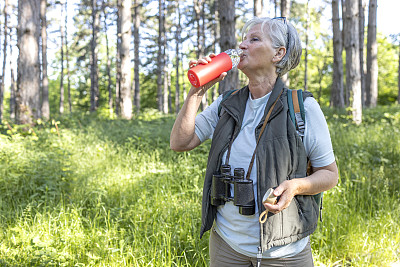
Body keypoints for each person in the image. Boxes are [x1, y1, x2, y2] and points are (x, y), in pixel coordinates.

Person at [170, 17, 338, 267]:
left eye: (254, 39)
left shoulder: (302, 107)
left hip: (285, 252)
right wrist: (197, 92)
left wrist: (295, 186)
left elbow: (329, 175)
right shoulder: (227, 104)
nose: (242, 45)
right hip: (227, 244)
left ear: (278, 54)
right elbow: (180, 142)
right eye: (244, 39)